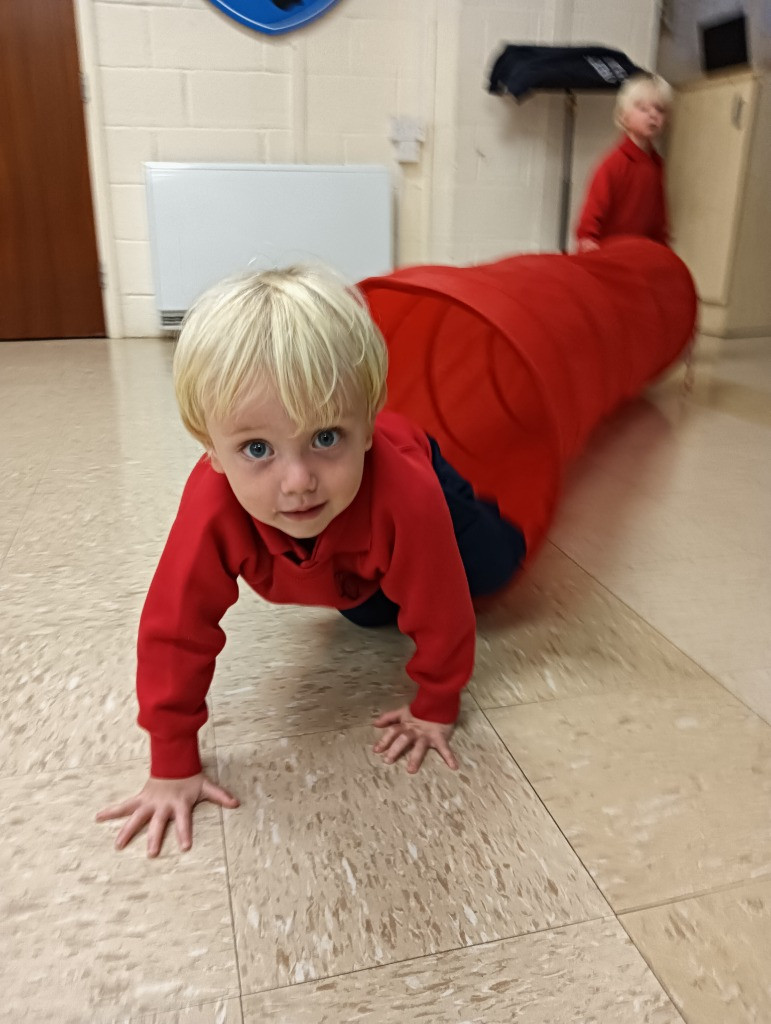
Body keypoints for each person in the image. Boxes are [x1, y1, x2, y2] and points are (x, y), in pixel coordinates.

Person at [97, 266, 526, 857]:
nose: (297, 482)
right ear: (210, 450)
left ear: (368, 424)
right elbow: (175, 631)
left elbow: (442, 601)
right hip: (357, 541)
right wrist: (172, 762)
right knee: (366, 613)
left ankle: (497, 518)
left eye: (327, 437)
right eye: (257, 449)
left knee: (492, 565)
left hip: (428, 480)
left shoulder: (408, 495)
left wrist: (436, 704)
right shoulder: (211, 506)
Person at [575, 73, 673, 252]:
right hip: (608, 255)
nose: (652, 114)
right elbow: (590, 216)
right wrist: (588, 241)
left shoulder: (657, 165)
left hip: (640, 255)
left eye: (659, 109)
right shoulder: (613, 164)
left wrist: (663, 248)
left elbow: (658, 216)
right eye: (642, 108)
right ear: (623, 116)